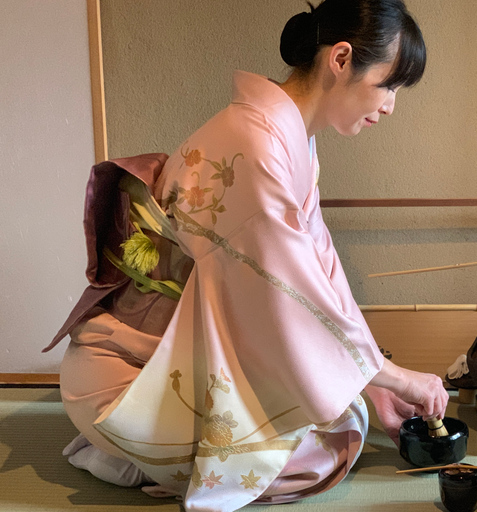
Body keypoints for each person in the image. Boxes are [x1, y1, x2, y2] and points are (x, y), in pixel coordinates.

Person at [45, 1, 448, 510]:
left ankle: (146, 457)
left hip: (175, 355)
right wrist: (393, 377)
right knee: (321, 454)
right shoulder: (255, 144)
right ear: (342, 59)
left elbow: (322, 277)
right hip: (131, 370)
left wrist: (370, 381)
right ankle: (126, 454)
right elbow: (289, 297)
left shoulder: (290, 139)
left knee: (347, 418)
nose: (389, 105)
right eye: (388, 85)